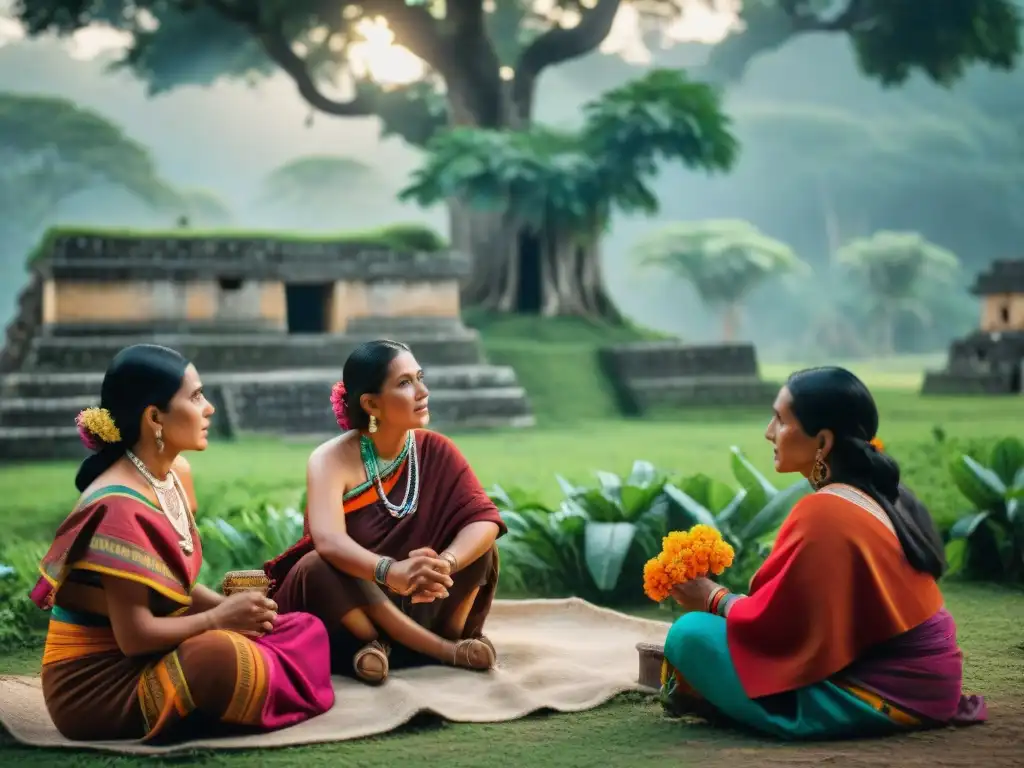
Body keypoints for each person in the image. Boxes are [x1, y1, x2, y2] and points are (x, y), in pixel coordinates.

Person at [659, 366, 987, 739]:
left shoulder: (824, 511)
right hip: (931, 683)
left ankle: (762, 708)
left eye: (780, 421)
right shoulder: (878, 492)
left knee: (690, 635)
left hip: (891, 692)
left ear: (823, 442)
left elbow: (781, 626)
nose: (769, 432)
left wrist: (713, 598)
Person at [30, 344, 335, 742]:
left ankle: (244, 689)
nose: (208, 408)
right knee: (219, 656)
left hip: (158, 650)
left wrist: (232, 610)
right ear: (154, 417)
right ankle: (244, 687)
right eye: (195, 396)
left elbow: (177, 592)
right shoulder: (117, 506)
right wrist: (220, 620)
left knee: (303, 628)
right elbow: (134, 636)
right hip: (101, 687)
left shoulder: (174, 474)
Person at [265, 339, 506, 685]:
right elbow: (329, 539)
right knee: (317, 565)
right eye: (405, 383)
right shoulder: (329, 460)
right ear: (371, 403)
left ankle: (421, 641)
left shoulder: (435, 449)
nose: (422, 391)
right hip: (355, 608)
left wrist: (444, 564)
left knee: (483, 549)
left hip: (422, 599)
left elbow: (483, 518)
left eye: (420, 377)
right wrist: (390, 571)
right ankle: (430, 649)